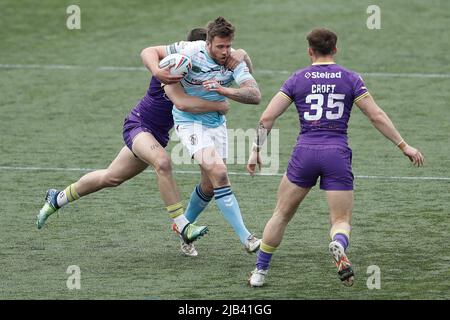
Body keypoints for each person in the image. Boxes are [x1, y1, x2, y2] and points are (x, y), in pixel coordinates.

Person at [35, 27, 252, 257]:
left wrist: (243, 55)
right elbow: (182, 103)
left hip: (157, 135)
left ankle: (57, 198)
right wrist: (219, 106)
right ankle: (182, 225)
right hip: (139, 126)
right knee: (163, 162)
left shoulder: (201, 76)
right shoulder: (175, 69)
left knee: (111, 177)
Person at [246, 27, 425, 287]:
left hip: (305, 152)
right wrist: (403, 145)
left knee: (281, 214)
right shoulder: (350, 78)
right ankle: (337, 244)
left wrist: (256, 150)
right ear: (335, 50)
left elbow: (267, 117)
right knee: (340, 220)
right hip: (337, 154)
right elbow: (375, 115)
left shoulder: (297, 78)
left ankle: (259, 272)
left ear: (310, 51)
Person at [141, 17, 263, 253]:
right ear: (208, 42)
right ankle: (247, 238)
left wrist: (223, 89)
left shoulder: (234, 59)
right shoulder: (189, 51)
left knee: (209, 185)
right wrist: (158, 71)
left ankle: (183, 229)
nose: (225, 52)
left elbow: (255, 95)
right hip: (189, 123)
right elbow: (148, 51)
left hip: (217, 124)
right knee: (220, 173)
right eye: (220, 47)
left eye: (228, 46)